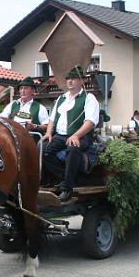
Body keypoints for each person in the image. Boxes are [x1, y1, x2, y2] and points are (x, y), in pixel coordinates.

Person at [41, 65, 101, 201]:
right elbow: (52, 119)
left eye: (73, 78)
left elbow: (91, 122)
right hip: (60, 136)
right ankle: (66, 178)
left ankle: (67, 189)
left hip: (81, 135)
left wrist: (76, 135)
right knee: (43, 150)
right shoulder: (61, 98)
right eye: (68, 78)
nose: (70, 81)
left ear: (82, 81)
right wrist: (49, 133)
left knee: (73, 149)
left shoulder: (89, 98)